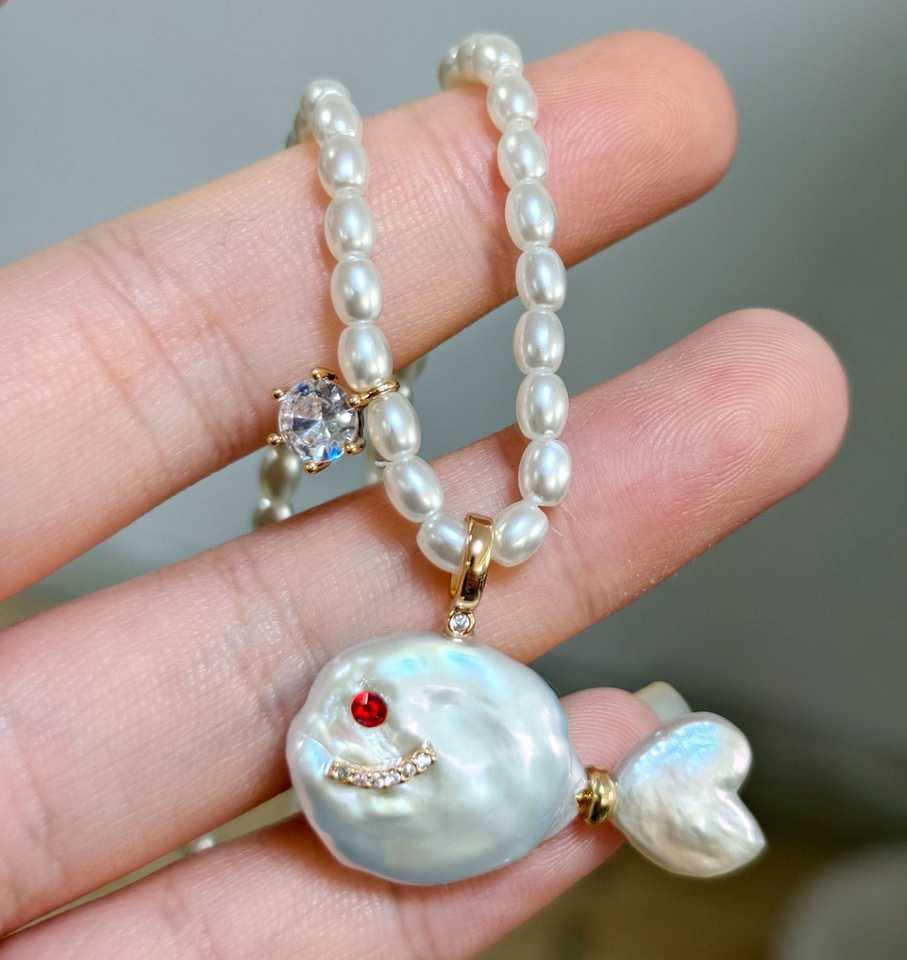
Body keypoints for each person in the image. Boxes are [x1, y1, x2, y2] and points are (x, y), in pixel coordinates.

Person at [0, 30, 848, 958]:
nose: (352, 719)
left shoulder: (473, 749)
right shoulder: (430, 729)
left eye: (367, 711)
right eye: (367, 712)